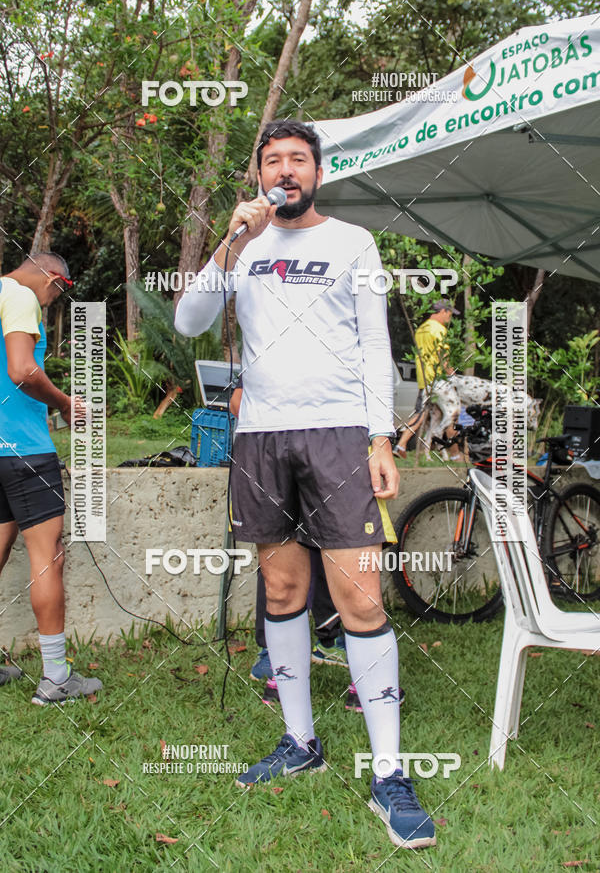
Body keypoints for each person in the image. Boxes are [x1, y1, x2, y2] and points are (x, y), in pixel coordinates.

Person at [176, 120, 435, 849]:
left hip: (338, 437)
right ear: (258, 176)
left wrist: (380, 435)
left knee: (358, 595)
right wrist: (232, 240)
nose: (285, 170)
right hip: (260, 436)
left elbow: (375, 345)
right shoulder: (244, 246)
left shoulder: (351, 242)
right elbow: (190, 319)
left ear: (318, 173)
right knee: (283, 593)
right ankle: (301, 742)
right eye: (272, 161)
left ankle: (390, 774)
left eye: (298, 160)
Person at [0, 253, 103, 704]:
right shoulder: (22, 296)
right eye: (59, 292)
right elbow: (22, 370)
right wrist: (63, 402)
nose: (53, 301)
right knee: (48, 557)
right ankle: (57, 678)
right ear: (54, 278)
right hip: (24, 451)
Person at [230, 381, 363, 710]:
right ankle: (273, 658)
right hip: (273, 453)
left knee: (339, 556)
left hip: (332, 453)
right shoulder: (269, 345)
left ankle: (335, 643)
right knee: (279, 571)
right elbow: (237, 400)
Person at [394, 299, 461, 460]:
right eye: (450, 313)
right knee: (453, 413)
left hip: (425, 379)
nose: (450, 318)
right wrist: (451, 374)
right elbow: (442, 355)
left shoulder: (421, 329)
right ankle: (455, 455)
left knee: (420, 414)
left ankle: (400, 445)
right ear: (443, 311)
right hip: (439, 379)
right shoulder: (439, 329)